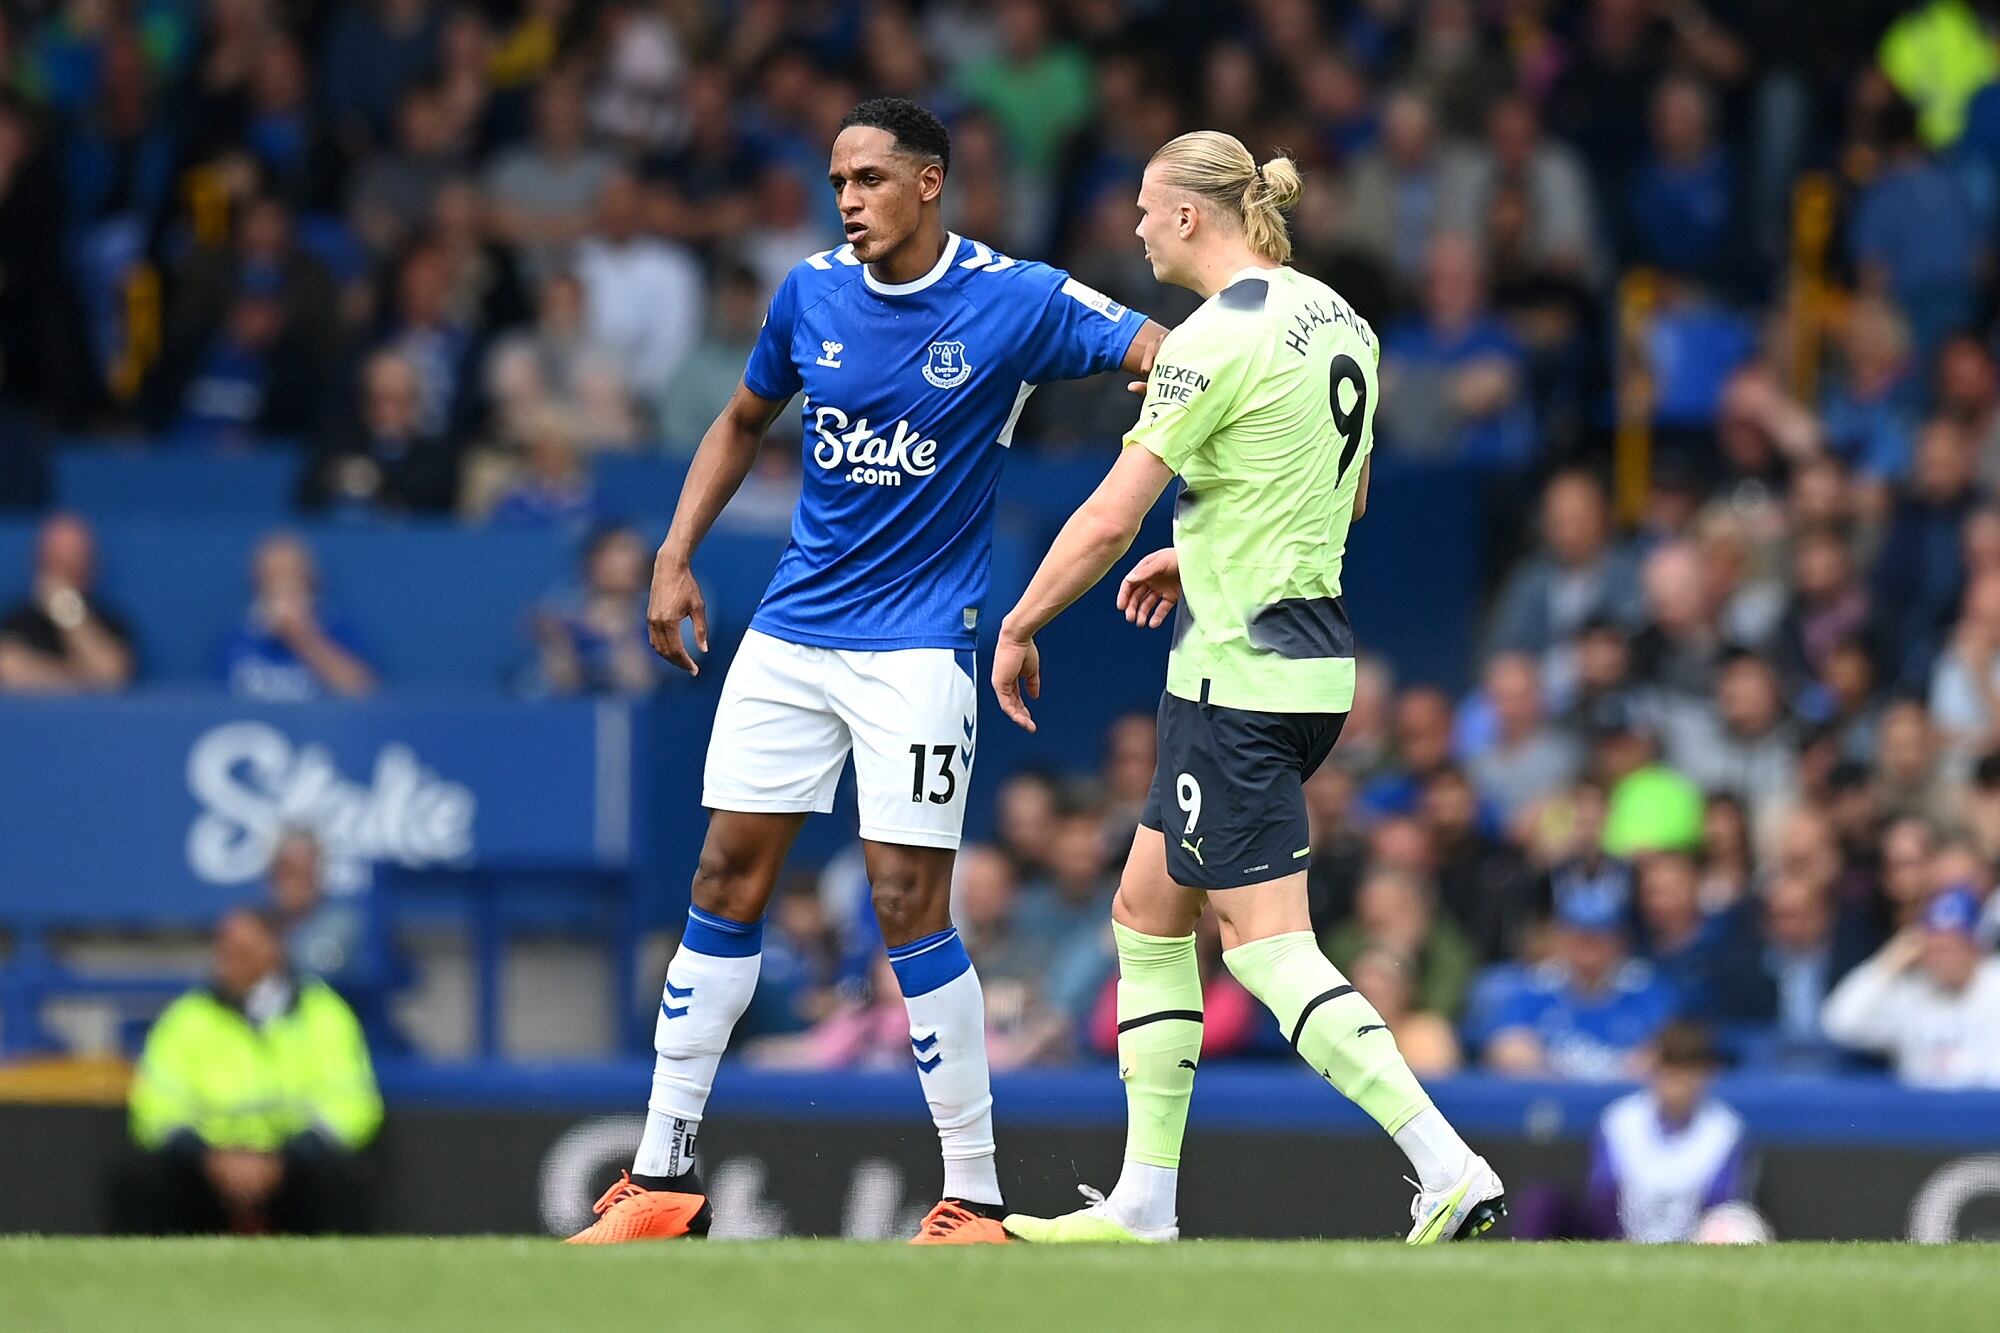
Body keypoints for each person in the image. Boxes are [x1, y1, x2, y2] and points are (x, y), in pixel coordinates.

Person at [568, 98, 1165, 1247]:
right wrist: (675, 555)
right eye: (837, 179)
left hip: (918, 647)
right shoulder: (809, 291)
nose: (847, 199)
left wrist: (1161, 384)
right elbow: (743, 420)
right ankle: (659, 1177)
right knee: (720, 879)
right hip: (793, 635)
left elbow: (1159, 351)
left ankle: (974, 1196)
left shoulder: (1013, 298)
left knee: (905, 904)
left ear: (930, 182)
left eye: (871, 179)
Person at [991, 131, 1502, 1247]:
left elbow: (1107, 515)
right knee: (1143, 910)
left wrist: (1022, 621)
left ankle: (1445, 1163)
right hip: (1308, 663)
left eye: (1141, 206)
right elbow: (1341, 497)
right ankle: (1144, 1201)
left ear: (1187, 216)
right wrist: (1207, 547)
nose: (1129, 226)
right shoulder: (1340, 319)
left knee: (1266, 948)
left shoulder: (1206, 340)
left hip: (1238, 676)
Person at [109, 909, 381, 1234]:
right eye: (223, 952)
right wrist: (210, 1159)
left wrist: (285, 1159)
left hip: (294, 1164)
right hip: (207, 1164)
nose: (226, 963)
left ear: (273, 952)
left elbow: (351, 1105)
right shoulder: (186, 1019)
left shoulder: (324, 1016)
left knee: (341, 1178)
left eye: (241, 953)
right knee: (140, 1177)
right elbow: (156, 1108)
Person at [1582, 1023, 1750, 1243]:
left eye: (1688, 1071)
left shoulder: (1724, 1130)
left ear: (1706, 1075)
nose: (1678, 1083)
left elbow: (1721, 1201)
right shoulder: (1620, 1120)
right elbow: (1603, 1194)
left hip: (1694, 1243)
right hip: (1621, 1241)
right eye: (1671, 1070)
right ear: (1654, 1069)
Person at [1822, 888, 2000, 1087]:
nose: (1944, 959)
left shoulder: (1995, 985)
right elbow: (1840, 1024)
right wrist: (1889, 962)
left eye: (1953, 948)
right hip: (1920, 1112)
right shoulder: (1913, 991)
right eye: (1935, 949)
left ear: (1976, 947)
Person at [218, 533, 377, 702]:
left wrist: (301, 637)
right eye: (272, 576)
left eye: (291, 575)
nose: (282, 587)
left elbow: (362, 691)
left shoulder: (334, 627)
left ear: (310, 579)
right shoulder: (238, 636)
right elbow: (215, 702)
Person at [0, 513, 136, 694]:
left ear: (91, 568)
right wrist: (83, 677)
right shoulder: (17, 622)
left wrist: (66, 612)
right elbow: (8, 671)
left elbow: (111, 676)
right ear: (38, 565)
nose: (63, 575)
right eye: (56, 562)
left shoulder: (111, 622)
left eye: (74, 564)